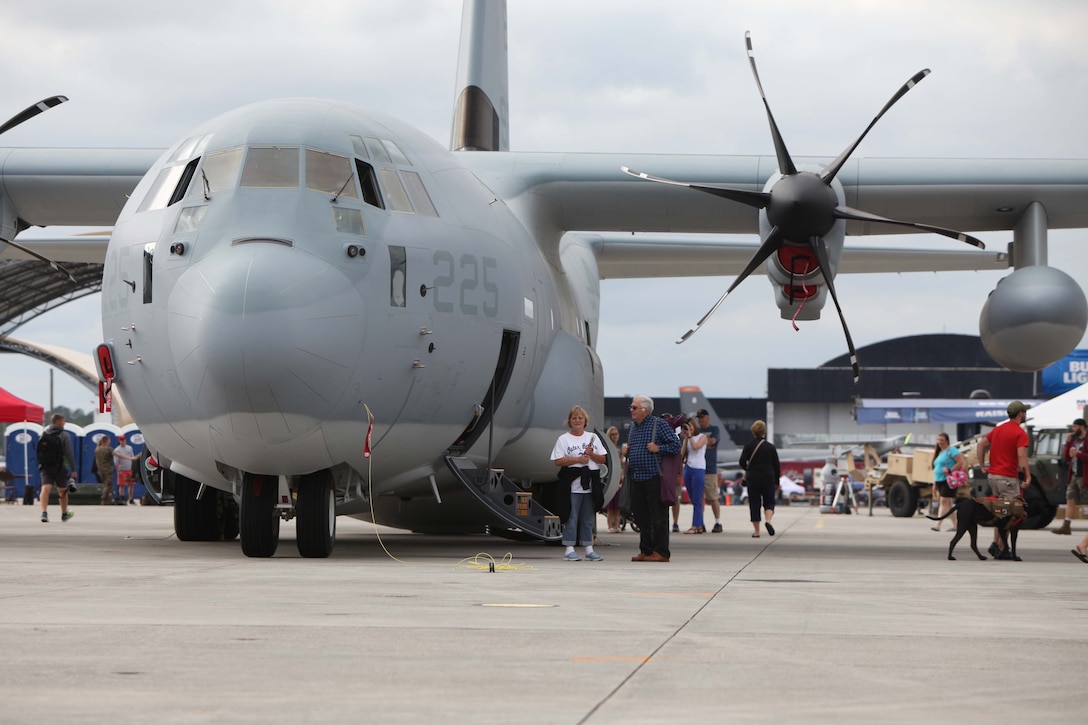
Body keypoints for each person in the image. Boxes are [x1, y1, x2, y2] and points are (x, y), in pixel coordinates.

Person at [626, 395, 681, 562]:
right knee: (641, 517)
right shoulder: (633, 427)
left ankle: (662, 552)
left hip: (653, 477)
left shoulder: (659, 424)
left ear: (645, 410)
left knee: (658, 517)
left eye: (634, 407)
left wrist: (658, 448)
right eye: (631, 407)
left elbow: (675, 445)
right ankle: (646, 550)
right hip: (637, 477)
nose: (631, 410)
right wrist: (628, 452)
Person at [550, 405, 607, 561]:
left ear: (585, 421)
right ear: (570, 421)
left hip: (590, 484)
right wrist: (577, 459)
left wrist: (592, 454)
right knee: (571, 517)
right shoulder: (564, 439)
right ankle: (569, 549)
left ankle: (589, 548)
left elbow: (603, 459)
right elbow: (558, 460)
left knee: (588, 518)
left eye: (580, 418)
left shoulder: (592, 438)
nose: (577, 420)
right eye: (574, 418)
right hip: (572, 485)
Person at [976, 400, 1031, 556]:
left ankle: (996, 544)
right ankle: (1002, 548)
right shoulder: (1020, 433)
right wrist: (1027, 476)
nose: (1026, 415)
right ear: (1020, 414)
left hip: (993, 476)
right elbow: (1022, 456)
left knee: (1000, 511)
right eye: (1025, 412)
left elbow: (981, 445)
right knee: (1011, 513)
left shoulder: (998, 429)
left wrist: (982, 466)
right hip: (1007, 477)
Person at [739, 419, 780, 538]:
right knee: (769, 502)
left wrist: (748, 469)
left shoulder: (748, 446)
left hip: (753, 479)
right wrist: (777, 481)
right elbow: (777, 466)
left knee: (755, 504)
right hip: (768, 478)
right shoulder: (771, 447)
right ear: (764, 432)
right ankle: (768, 521)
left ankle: (757, 532)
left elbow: (741, 462)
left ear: (753, 432)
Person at [38, 413, 77, 523]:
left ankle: (44, 513)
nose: (64, 423)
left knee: (45, 488)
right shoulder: (64, 435)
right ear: (58, 421)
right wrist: (73, 469)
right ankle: (64, 514)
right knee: (62, 490)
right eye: (63, 421)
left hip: (45, 466)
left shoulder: (44, 434)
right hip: (60, 466)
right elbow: (69, 453)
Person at [1053, 417, 1088, 535]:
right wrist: (1067, 443)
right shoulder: (1076, 441)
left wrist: (1078, 454)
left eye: (1075, 427)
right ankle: (1066, 525)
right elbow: (1068, 457)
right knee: (1070, 499)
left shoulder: (1086, 440)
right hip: (1074, 474)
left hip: (1084, 475)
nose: (1073, 429)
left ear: (1081, 427)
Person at [930, 432, 965, 533]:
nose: (939, 442)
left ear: (947, 441)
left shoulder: (952, 450)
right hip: (939, 480)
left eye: (942, 440)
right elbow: (936, 468)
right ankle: (956, 525)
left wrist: (950, 469)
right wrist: (935, 484)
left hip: (948, 480)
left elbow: (960, 462)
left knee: (943, 501)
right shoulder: (939, 452)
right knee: (949, 504)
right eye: (938, 440)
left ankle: (938, 524)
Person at [696, 409, 724, 532]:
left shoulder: (714, 429)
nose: (700, 420)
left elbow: (713, 441)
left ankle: (718, 522)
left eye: (702, 417)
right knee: (699, 498)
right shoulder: (697, 431)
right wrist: (705, 444)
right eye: (699, 417)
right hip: (698, 468)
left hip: (710, 469)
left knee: (713, 497)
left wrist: (701, 443)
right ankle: (700, 522)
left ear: (708, 417)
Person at [682, 419, 708, 534]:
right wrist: (685, 438)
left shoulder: (702, 437)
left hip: (698, 469)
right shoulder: (688, 438)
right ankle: (700, 525)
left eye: (690, 426)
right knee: (693, 499)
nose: (689, 428)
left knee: (697, 499)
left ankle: (695, 525)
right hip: (688, 468)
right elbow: (682, 453)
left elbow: (696, 446)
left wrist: (691, 436)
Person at [603, 426, 624, 534]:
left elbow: (620, 464)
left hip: (619, 477)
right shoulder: (608, 449)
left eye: (616, 434)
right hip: (611, 478)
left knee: (617, 507)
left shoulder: (619, 449)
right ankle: (610, 526)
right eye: (613, 434)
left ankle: (617, 526)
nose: (615, 436)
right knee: (611, 508)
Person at [114, 435, 138, 505]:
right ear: (119, 441)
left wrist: (133, 468)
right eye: (121, 440)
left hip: (129, 468)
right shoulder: (117, 450)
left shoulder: (129, 448)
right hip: (122, 469)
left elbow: (132, 457)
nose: (123, 442)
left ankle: (131, 498)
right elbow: (116, 461)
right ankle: (122, 497)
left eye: (124, 440)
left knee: (131, 485)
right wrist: (119, 470)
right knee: (122, 485)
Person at [94, 435, 117, 506]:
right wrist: (129, 458)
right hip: (108, 470)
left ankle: (109, 499)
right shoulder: (108, 449)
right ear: (106, 441)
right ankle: (104, 498)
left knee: (108, 484)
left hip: (100, 470)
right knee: (108, 484)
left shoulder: (97, 449)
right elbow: (117, 454)